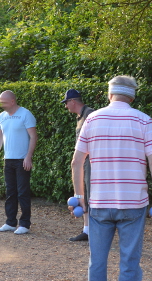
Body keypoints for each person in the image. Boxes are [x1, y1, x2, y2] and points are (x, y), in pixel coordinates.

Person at [71, 76, 152, 280]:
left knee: (96, 261)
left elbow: (76, 162)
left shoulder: (92, 119)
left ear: (110, 94)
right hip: (133, 203)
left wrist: (79, 194)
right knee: (130, 262)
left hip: (99, 202)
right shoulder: (144, 120)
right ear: (132, 98)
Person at [0, 90, 37, 235]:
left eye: (3, 102)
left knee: (23, 192)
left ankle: (24, 224)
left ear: (12, 101)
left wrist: (28, 156)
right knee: (10, 192)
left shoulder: (25, 114)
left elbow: (33, 136)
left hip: (22, 160)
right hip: (8, 159)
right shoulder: (2, 116)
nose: (1, 105)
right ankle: (10, 222)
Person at [62, 88, 94, 242]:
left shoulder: (90, 115)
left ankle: (96, 230)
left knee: (91, 194)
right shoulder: (80, 117)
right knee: (86, 194)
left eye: (66, 103)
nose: (66, 106)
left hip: (92, 161)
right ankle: (87, 230)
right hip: (84, 161)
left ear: (73, 101)